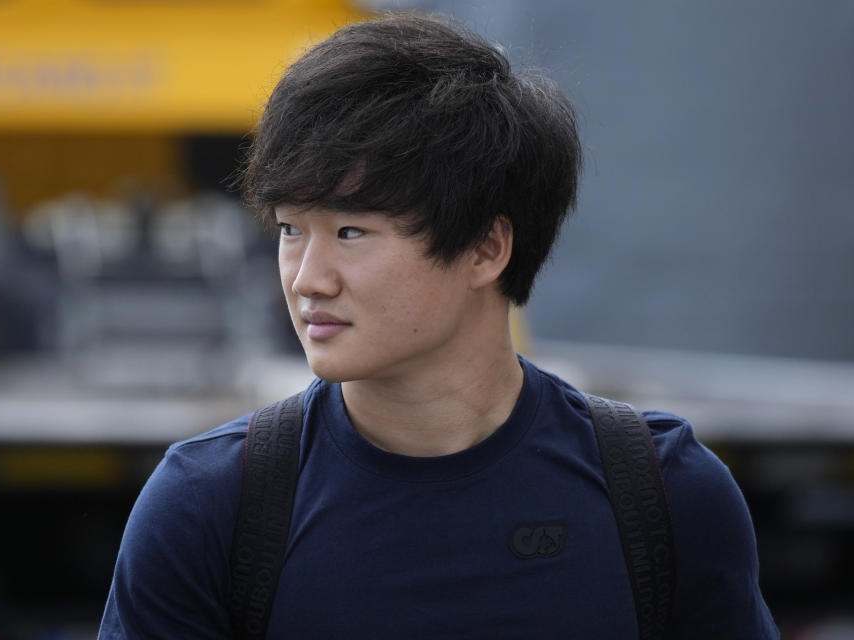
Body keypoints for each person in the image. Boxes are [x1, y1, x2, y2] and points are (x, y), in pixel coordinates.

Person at [99, 13, 779, 639]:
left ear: (487, 247)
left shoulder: (663, 496)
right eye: (288, 230)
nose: (307, 277)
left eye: (350, 231)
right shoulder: (208, 508)